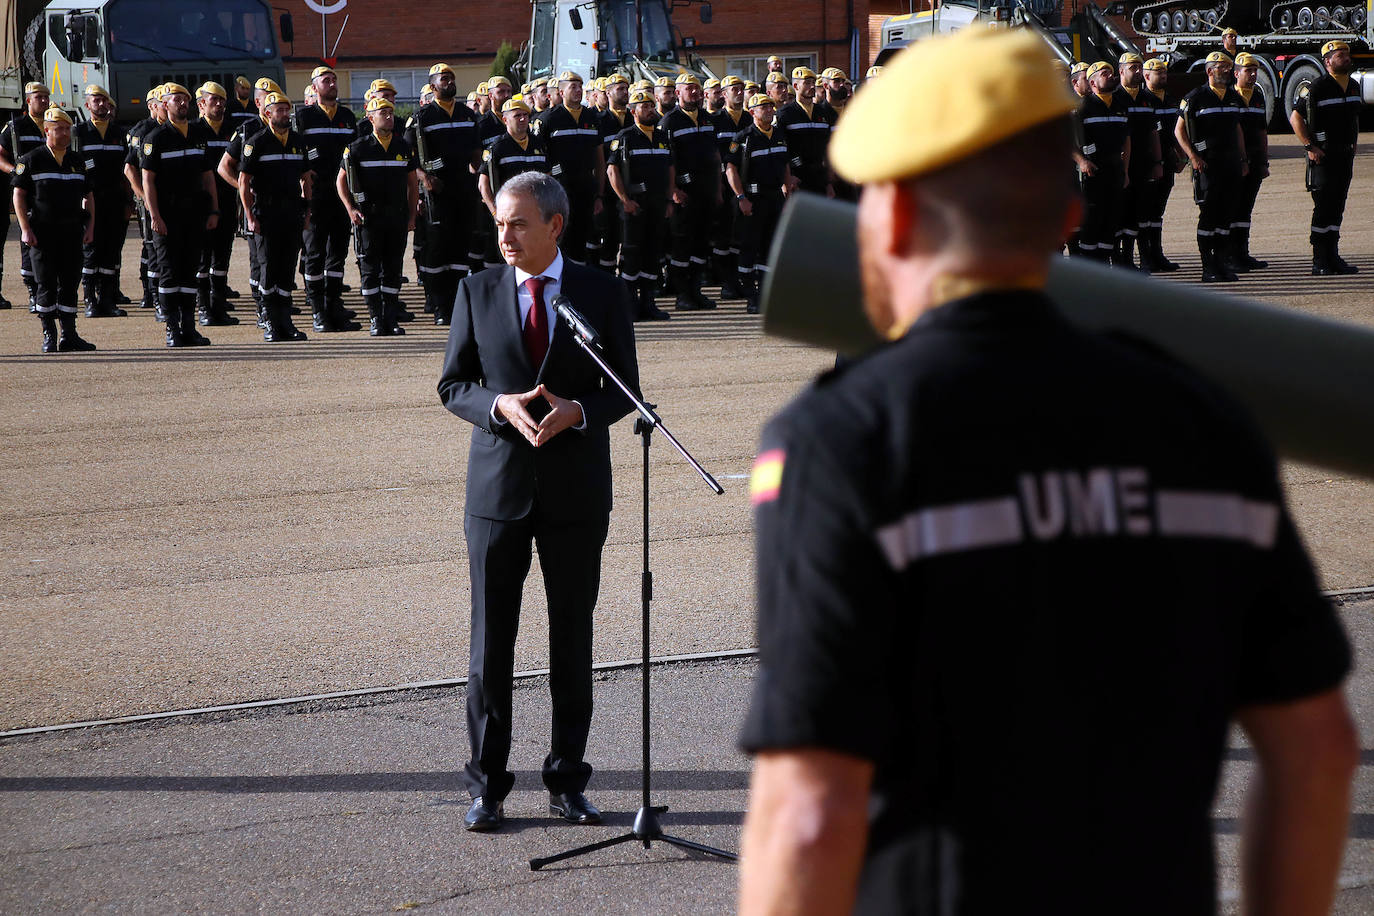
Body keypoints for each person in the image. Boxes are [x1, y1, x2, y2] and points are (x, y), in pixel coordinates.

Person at [737, 26, 1357, 916]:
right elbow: (1318, 749)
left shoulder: (846, 440)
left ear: (895, 217)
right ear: (1070, 215)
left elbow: (808, 814)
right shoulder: (1205, 420)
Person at [437, 170, 641, 833]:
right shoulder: (475, 290)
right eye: (499, 222)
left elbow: (624, 391)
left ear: (556, 225)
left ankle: (567, 781)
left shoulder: (601, 292)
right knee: (490, 647)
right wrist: (497, 406)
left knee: (572, 643)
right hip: (497, 494)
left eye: (518, 223)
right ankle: (488, 788)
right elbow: (454, 384)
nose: (505, 235)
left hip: (575, 492)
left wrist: (578, 411)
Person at [13, 107, 96, 352]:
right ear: (46, 131)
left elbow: (89, 196)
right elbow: (18, 195)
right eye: (58, 129)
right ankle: (49, 334)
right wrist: (25, 228)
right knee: (46, 284)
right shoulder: (31, 160)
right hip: (43, 234)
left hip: (71, 233)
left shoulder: (77, 161)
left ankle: (69, 335)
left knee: (70, 283)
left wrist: (90, 226)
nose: (64, 134)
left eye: (67, 129)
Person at [142, 83, 219, 347]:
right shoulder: (156, 138)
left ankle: (189, 327)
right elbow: (147, 181)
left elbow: (208, 176)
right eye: (176, 100)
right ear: (164, 105)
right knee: (169, 272)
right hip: (167, 216)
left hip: (194, 214)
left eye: (185, 99)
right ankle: (172, 328)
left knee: (190, 271)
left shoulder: (198, 134)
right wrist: (155, 215)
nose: (182, 103)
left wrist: (213, 210)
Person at [339, 96, 418, 337]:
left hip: (396, 217)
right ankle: (375, 318)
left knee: (393, 269)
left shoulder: (403, 146)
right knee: (371, 269)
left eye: (391, 113)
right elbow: (340, 181)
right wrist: (350, 209)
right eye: (383, 113)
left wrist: (412, 215)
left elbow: (412, 184)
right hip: (369, 219)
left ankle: (391, 319)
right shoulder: (357, 148)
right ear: (370, 118)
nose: (389, 117)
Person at [239, 91, 311, 342]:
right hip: (266, 214)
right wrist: (249, 216)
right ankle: (270, 320)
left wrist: (307, 210)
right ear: (267, 113)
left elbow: (306, 178)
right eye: (279, 110)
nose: (285, 114)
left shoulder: (298, 141)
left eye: (286, 110)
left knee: (287, 268)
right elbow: (243, 181)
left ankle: (286, 322)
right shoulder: (256, 142)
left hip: (291, 213)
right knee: (269, 268)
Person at [414, 62, 483, 323]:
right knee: (437, 249)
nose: (450, 82)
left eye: (451, 78)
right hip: (437, 193)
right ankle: (438, 304)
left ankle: (455, 304)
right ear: (433, 86)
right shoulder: (423, 117)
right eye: (444, 79)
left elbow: (476, 152)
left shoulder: (467, 115)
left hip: (463, 190)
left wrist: (479, 178)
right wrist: (425, 180)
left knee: (460, 247)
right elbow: (411, 161)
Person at [296, 65, 361, 333]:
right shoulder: (304, 117)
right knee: (315, 252)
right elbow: (295, 151)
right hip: (317, 195)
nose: (332, 84)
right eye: (326, 80)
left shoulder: (346, 116)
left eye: (334, 80)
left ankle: (334, 306)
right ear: (314, 87)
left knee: (337, 253)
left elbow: (354, 156)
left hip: (341, 196)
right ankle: (317, 310)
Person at [1290, 39, 1361, 276]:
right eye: (1340, 55)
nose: (1346, 57)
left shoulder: (1352, 85)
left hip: (1344, 156)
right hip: (1323, 157)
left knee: (1337, 207)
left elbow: (1353, 119)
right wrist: (1309, 146)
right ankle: (1319, 260)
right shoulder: (1316, 87)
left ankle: (1333, 255)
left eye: (1346, 54)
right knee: (1323, 208)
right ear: (1328, 61)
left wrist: (1354, 143)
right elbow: (1295, 119)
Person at [1176, 51, 1247, 282]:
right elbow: (1179, 130)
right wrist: (1193, 158)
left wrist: (1243, 158)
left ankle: (1222, 263)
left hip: (1231, 166)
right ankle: (1208, 268)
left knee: (1226, 216)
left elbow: (1237, 129)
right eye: (1222, 67)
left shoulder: (1234, 97)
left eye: (1229, 66)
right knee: (1209, 217)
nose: (1227, 70)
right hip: (1208, 167)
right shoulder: (1195, 98)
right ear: (1209, 71)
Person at [607, 87, 674, 321]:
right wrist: (625, 200)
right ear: (633, 112)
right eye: (643, 107)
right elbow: (612, 170)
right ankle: (629, 305)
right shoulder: (624, 138)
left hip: (657, 204)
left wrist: (668, 199)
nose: (649, 110)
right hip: (634, 205)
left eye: (650, 106)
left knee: (652, 252)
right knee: (632, 255)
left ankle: (648, 302)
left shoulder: (661, 136)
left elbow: (670, 169)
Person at [725, 92, 795, 315]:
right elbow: (731, 169)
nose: (768, 110)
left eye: (770, 107)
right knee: (749, 247)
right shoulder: (743, 138)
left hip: (774, 197)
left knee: (769, 247)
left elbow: (785, 166)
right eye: (763, 107)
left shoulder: (779, 135)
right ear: (752, 112)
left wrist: (787, 192)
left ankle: (765, 293)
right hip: (752, 199)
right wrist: (741, 197)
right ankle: (751, 296)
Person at [658, 73, 720, 311]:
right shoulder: (670, 122)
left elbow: (715, 156)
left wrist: (718, 188)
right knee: (682, 244)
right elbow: (666, 161)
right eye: (688, 89)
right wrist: (672, 189)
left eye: (696, 89)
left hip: (706, 189)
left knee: (702, 243)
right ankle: (682, 294)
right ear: (678, 93)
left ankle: (696, 290)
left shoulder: (706, 119)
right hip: (684, 192)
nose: (694, 93)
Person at [533, 71, 605, 267]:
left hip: (586, 189)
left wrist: (599, 194)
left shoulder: (592, 117)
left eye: (580, 86)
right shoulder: (548, 119)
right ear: (561, 92)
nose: (578, 90)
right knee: (560, 237)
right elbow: (539, 158)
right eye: (573, 87)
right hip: (560, 188)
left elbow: (600, 159)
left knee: (582, 237)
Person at [73, 83, 132, 319]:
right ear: (87, 105)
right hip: (90, 200)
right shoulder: (79, 132)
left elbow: (127, 171)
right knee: (91, 251)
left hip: (115, 201)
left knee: (111, 251)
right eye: (96, 101)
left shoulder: (119, 133)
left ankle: (107, 300)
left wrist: (129, 202)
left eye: (104, 100)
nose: (101, 104)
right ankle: (89, 300)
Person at [1, 82, 54, 311]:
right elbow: (0, 156)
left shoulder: (54, 124)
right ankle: (33, 291)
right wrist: (15, 172)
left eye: (45, 96)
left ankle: (49, 290)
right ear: (28, 100)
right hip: (26, 191)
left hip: (50, 191)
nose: (43, 100)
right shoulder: (16, 127)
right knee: (28, 240)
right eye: (38, 97)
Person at [1073, 62, 1130, 264]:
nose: (1110, 76)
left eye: (1111, 73)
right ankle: (1090, 269)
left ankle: (1105, 265)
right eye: (1104, 74)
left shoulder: (1120, 107)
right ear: (1093, 82)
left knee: (1111, 221)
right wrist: (1082, 161)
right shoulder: (1081, 108)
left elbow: (1126, 141)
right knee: (1092, 222)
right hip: (1092, 175)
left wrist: (1125, 170)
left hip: (1114, 172)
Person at [192, 82, 239, 326]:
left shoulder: (234, 130)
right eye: (214, 100)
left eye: (222, 100)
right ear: (202, 104)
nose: (219, 104)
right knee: (203, 258)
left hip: (228, 201)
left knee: (222, 257)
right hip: (203, 205)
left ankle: (218, 307)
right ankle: (203, 308)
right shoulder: (193, 131)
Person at [1115, 52, 1162, 270]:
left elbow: (1154, 133)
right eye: (1132, 67)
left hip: (1144, 164)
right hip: (1123, 165)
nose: (1136, 71)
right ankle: (1123, 260)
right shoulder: (1115, 98)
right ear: (1121, 70)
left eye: (1138, 67)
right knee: (1122, 213)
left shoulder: (1149, 99)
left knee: (1141, 213)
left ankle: (1143, 258)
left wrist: (1158, 162)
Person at [125, 85, 167, 315]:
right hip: (149, 200)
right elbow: (129, 168)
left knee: (158, 249)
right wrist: (141, 195)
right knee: (152, 248)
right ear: (153, 106)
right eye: (163, 103)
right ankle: (152, 293)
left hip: (168, 199)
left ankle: (156, 293)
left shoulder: (173, 129)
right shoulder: (142, 131)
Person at [1140, 57, 1183, 271]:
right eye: (1159, 73)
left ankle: (1157, 255)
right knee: (1145, 212)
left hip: (1167, 162)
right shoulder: (1142, 101)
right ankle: (1145, 257)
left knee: (1158, 212)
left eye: (1164, 72)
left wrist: (1181, 157)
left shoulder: (1171, 100)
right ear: (1147, 76)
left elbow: (1178, 132)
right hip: (1148, 163)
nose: (1164, 76)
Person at [1231, 52, 1269, 272]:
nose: (1253, 74)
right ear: (1236, 73)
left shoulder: (1258, 97)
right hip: (1235, 162)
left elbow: (1262, 130)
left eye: (1255, 71)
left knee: (1246, 208)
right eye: (1248, 70)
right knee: (1232, 208)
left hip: (1254, 160)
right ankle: (1229, 255)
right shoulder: (1229, 96)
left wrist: (1263, 161)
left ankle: (1242, 253)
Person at [775, 67, 834, 197]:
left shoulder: (823, 112)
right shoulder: (785, 114)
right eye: (807, 83)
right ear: (795, 85)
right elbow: (780, 151)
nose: (812, 86)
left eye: (813, 82)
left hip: (820, 178)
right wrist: (787, 178)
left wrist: (829, 182)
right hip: (797, 179)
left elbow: (829, 149)